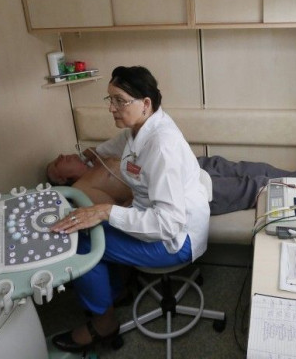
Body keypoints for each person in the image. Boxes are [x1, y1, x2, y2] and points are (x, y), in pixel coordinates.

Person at [49, 66, 210, 353]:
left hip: (176, 238)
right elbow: (116, 146)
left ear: (145, 103)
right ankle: (114, 293)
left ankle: (104, 323)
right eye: (109, 99)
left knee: (82, 245)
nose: (111, 108)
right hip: (161, 219)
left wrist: (106, 212)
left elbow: (168, 224)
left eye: (119, 100)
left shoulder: (161, 146)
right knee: (88, 229)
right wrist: (87, 158)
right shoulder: (139, 128)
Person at [47, 151, 296, 215]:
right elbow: (115, 212)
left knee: (248, 166)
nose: (64, 153)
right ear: (62, 178)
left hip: (185, 168)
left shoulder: (96, 159)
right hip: (173, 192)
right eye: (60, 160)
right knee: (253, 184)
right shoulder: (83, 188)